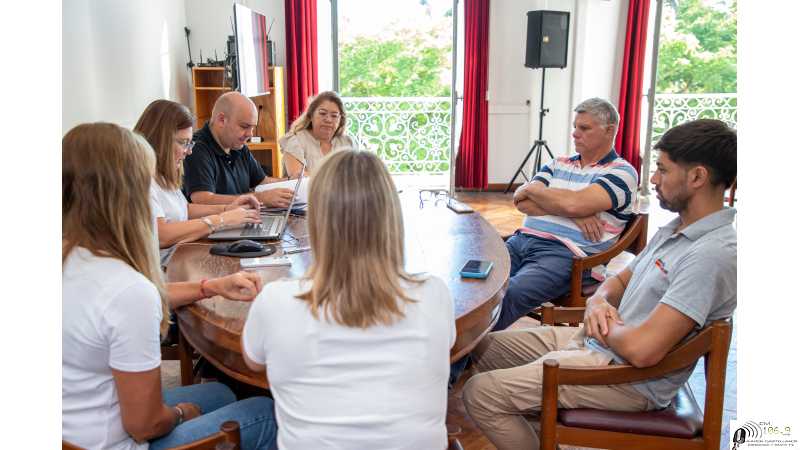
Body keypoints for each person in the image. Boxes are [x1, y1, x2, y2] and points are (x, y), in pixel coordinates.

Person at [462, 119, 737, 450]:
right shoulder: (677, 229)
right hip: (600, 344)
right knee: (480, 344)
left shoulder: (711, 254)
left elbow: (643, 350)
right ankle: (547, 431)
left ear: (696, 177)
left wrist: (600, 325)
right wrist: (598, 303)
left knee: (481, 393)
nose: (652, 178)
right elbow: (619, 280)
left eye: (662, 170)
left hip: (628, 377)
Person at [62, 123, 277, 450]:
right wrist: (179, 413)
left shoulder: (74, 257)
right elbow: (145, 424)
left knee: (222, 392)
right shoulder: (127, 290)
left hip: (70, 425)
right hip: (118, 441)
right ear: (127, 193)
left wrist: (210, 286)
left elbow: (111, 307)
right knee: (265, 411)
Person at [241, 150, 456, 449]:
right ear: (392, 215)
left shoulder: (275, 300)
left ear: (317, 219)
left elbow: (253, 361)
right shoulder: (435, 294)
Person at [499, 97, 639, 330]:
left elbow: (572, 203)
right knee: (476, 285)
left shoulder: (623, 173)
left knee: (508, 295)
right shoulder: (558, 162)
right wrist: (575, 214)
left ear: (609, 130)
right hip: (521, 240)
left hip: (568, 256)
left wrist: (543, 193)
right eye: (575, 126)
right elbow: (522, 201)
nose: (575, 133)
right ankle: (455, 354)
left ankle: (452, 358)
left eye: (584, 128)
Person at [134, 99, 262, 267]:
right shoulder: (141, 180)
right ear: (160, 141)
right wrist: (221, 220)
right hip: (165, 271)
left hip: (180, 259)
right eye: (183, 142)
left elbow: (183, 209)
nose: (190, 151)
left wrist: (228, 208)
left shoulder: (163, 173)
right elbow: (162, 235)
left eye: (190, 142)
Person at [183, 91, 294, 208]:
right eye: (245, 127)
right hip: (219, 224)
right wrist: (260, 198)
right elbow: (202, 199)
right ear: (221, 120)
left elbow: (262, 181)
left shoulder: (238, 145)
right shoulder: (197, 149)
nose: (250, 134)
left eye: (252, 128)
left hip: (240, 219)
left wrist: (291, 181)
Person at [278, 91, 358, 178]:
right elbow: (298, 178)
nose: (328, 120)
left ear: (340, 120)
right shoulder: (295, 141)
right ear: (311, 115)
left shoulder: (347, 142)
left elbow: (357, 175)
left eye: (334, 116)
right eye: (322, 113)